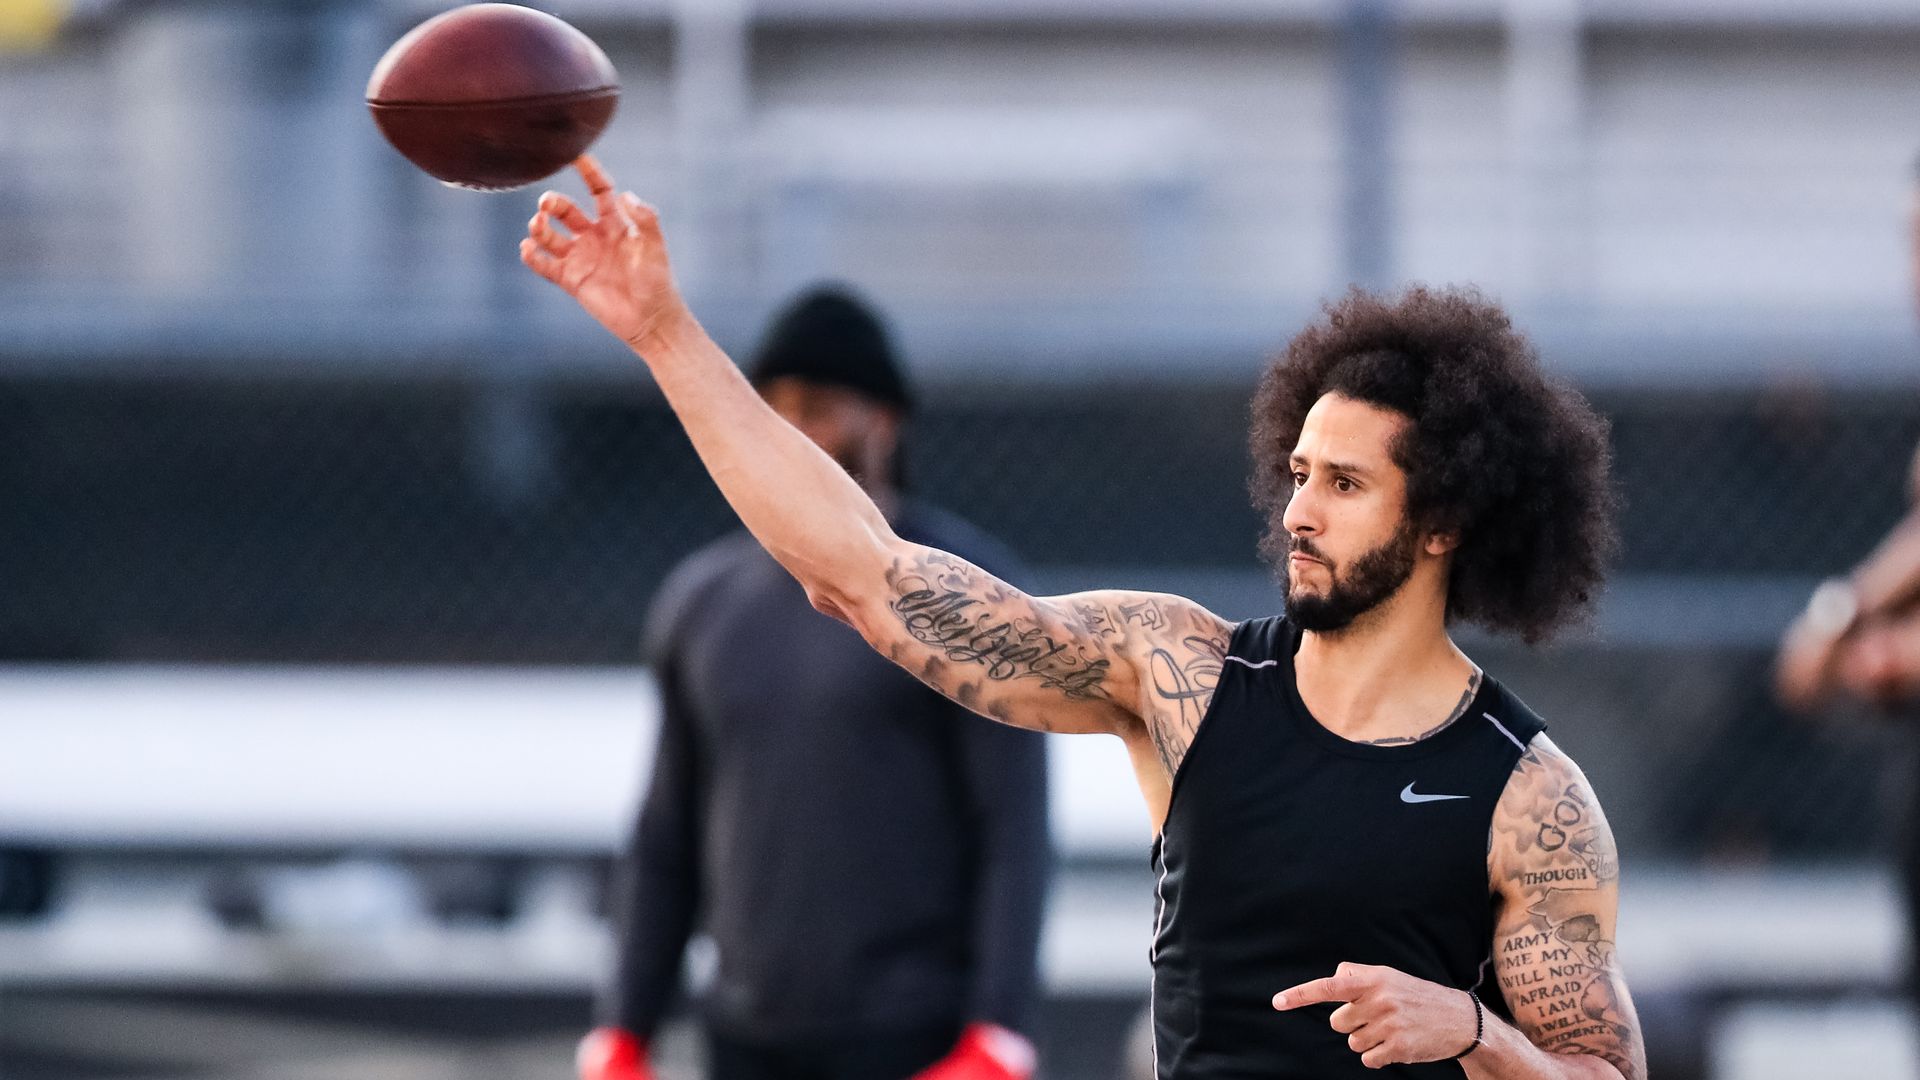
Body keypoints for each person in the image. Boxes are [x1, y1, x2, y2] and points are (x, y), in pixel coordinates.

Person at [529, 155, 1646, 1079]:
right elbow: (866, 574)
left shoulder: (1528, 797)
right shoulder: (1183, 677)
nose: (1299, 511)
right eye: (1300, 473)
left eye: (1345, 485)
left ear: (1444, 521)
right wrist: (664, 333)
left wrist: (1480, 1033)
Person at [573, 285, 1051, 1080]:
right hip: (745, 1035)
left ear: (884, 422)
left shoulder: (966, 594)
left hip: (913, 1039)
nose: (791, 430)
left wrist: (999, 1033)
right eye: (774, 408)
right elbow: (666, 834)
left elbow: (1013, 829)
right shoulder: (703, 602)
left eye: (819, 408)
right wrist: (623, 1028)